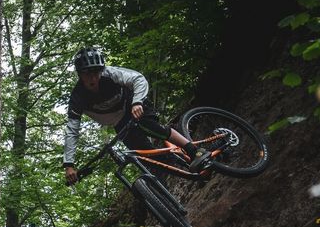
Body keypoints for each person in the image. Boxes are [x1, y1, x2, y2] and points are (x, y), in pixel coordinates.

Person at [62, 46, 209, 185]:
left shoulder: (110, 74)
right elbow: (72, 131)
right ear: (80, 75)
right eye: (88, 74)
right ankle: (169, 187)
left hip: (135, 104)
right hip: (119, 122)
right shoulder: (77, 98)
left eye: (96, 72)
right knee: (147, 157)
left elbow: (137, 79)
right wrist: (69, 165)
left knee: (148, 126)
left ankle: (194, 150)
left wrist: (137, 102)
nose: (93, 78)